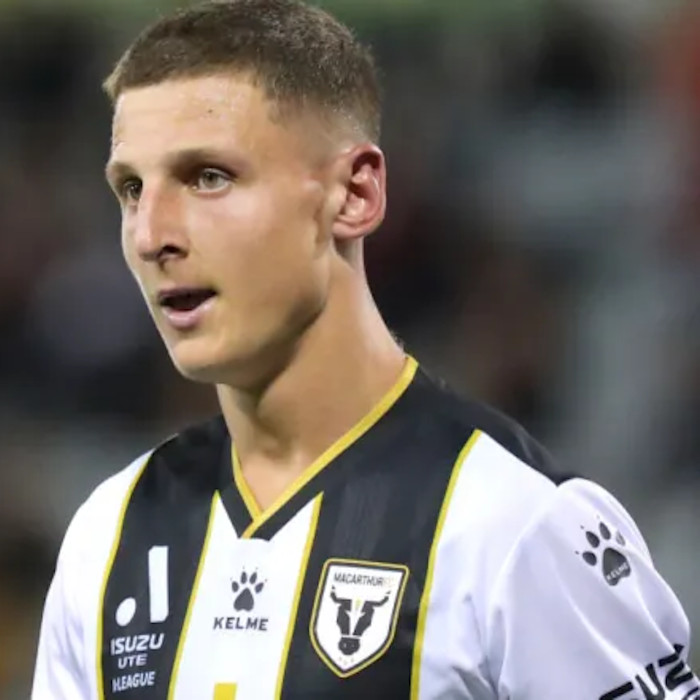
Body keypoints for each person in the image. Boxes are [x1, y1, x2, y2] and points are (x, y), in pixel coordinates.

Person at [32, 1, 698, 698]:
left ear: (354, 195)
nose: (150, 235)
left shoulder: (515, 524)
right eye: (131, 189)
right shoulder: (110, 537)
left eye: (208, 177)